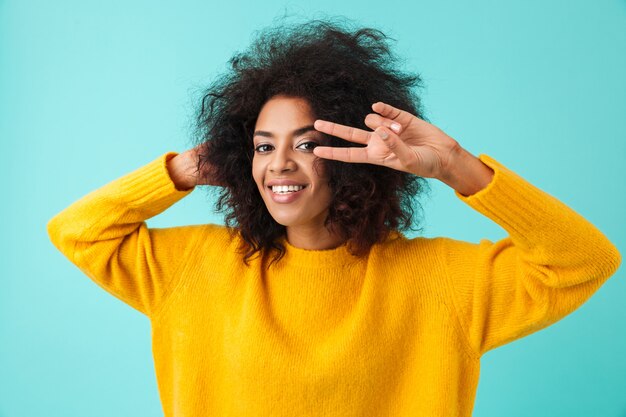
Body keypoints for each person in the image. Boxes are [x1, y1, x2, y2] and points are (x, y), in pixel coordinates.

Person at [47, 18, 621, 417]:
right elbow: (77, 232)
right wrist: (185, 167)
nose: (280, 165)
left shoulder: (440, 281)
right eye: (263, 146)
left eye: (306, 143)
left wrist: (453, 165)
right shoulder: (195, 267)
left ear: (357, 156)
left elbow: (584, 261)